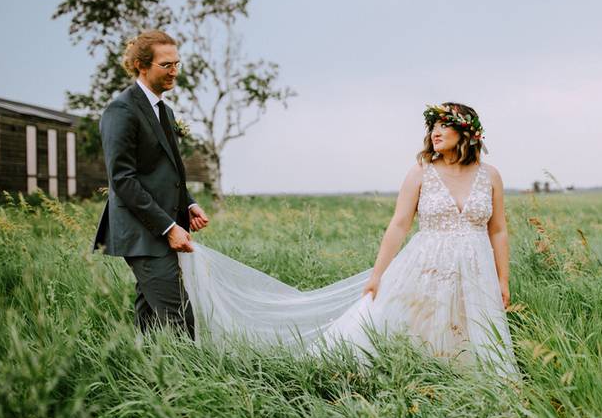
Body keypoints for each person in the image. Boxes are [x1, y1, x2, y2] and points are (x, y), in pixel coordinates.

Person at [179, 102, 516, 376]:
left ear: (467, 131)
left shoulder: (490, 176)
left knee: (471, 326)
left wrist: (502, 278)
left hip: (476, 267)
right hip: (427, 264)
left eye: (444, 125)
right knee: (419, 323)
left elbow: (497, 229)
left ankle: (467, 380)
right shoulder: (421, 173)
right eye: (433, 126)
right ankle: (421, 376)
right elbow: (399, 225)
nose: (435, 132)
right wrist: (377, 274)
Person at [93, 29, 210, 339]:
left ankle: (139, 376)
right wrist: (168, 227)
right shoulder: (122, 111)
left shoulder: (164, 111)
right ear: (141, 66)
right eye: (166, 65)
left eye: (176, 64)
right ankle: (192, 383)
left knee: (149, 319)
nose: (174, 72)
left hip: (164, 225)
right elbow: (122, 180)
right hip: (142, 232)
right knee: (179, 320)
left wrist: (188, 204)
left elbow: (166, 171)